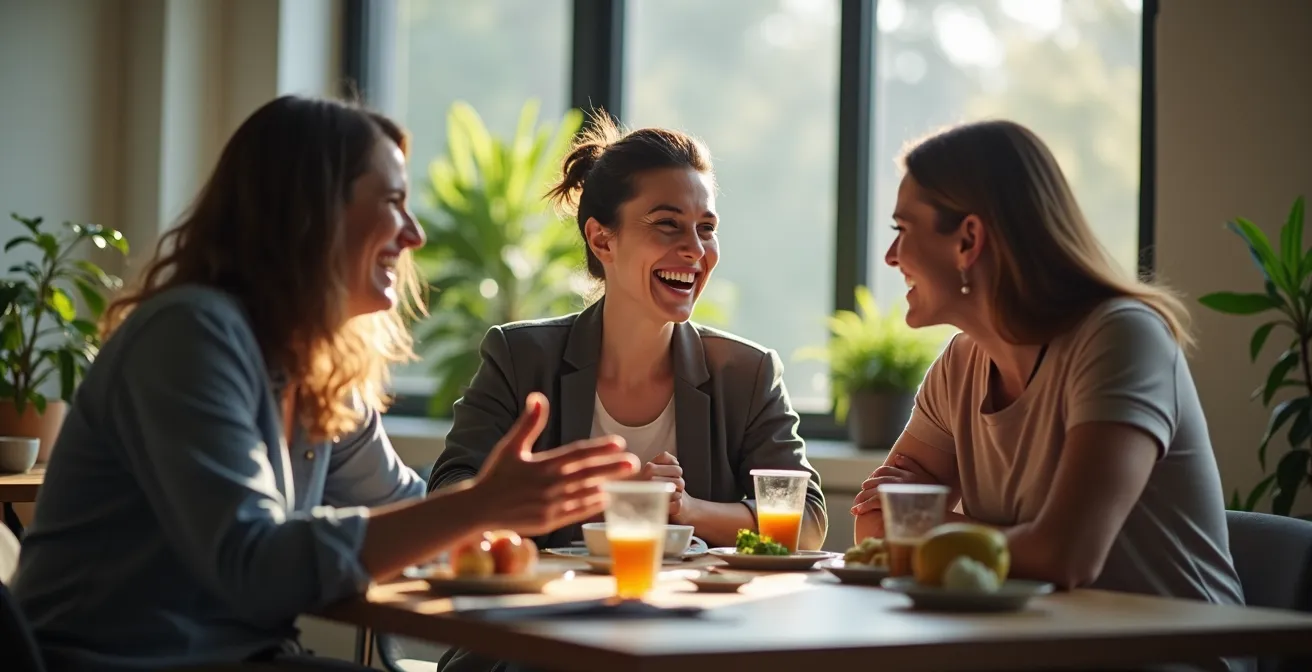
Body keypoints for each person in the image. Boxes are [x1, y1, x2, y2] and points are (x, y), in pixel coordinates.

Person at [11, 96, 638, 672]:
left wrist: (513, 516)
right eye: (391, 201)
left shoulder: (320, 369)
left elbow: (401, 510)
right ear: (308, 209)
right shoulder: (191, 334)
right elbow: (251, 563)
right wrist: (474, 506)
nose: (414, 234)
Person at [849, 119, 1247, 670]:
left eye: (902, 229)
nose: (891, 256)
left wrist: (935, 526)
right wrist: (974, 536)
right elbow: (874, 520)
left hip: (1167, 658)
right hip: (1036, 648)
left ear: (968, 239)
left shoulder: (1119, 337)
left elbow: (1065, 555)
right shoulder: (961, 363)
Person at [429, 116, 827, 551]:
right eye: (667, 224)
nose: (695, 249)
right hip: (550, 611)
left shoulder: (747, 373)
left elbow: (806, 521)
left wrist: (684, 508)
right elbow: (447, 494)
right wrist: (611, 501)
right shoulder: (519, 358)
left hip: (695, 615)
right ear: (602, 240)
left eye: (706, 228)